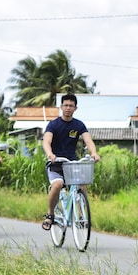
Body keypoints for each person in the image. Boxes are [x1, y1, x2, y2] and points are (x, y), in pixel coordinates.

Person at [41, 94, 101, 230]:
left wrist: (94, 153)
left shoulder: (78, 125)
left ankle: (80, 216)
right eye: (66, 105)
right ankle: (50, 215)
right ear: (61, 107)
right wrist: (50, 154)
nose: (68, 108)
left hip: (71, 164)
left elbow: (88, 141)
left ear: (75, 108)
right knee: (57, 185)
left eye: (71, 106)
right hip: (56, 163)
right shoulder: (53, 124)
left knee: (81, 185)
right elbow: (46, 141)